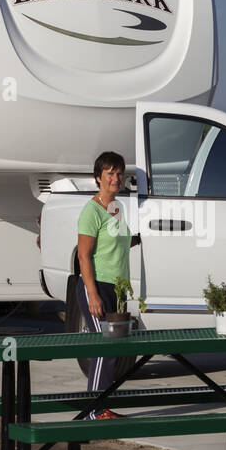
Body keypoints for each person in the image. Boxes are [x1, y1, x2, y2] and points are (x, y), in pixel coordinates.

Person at [76, 150, 140, 419]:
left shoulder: (117, 207)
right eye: (110, 173)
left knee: (112, 350)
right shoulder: (91, 211)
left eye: (118, 173)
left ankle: (101, 408)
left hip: (116, 289)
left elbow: (121, 244)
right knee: (105, 349)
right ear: (98, 178)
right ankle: (94, 411)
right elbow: (83, 255)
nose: (116, 178)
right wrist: (92, 294)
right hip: (97, 287)